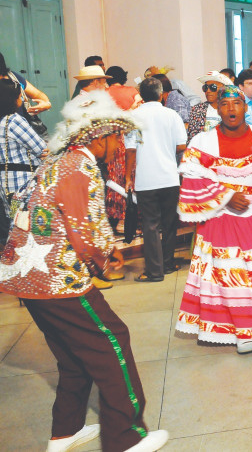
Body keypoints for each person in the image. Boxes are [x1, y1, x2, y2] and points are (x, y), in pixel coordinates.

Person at [0, 91, 169, 452]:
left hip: (25, 278)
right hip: (58, 280)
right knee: (113, 340)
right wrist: (105, 257)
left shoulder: (58, 161)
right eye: (116, 136)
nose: (120, 143)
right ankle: (125, 438)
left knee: (71, 355)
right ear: (100, 136)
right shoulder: (81, 165)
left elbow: (71, 216)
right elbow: (82, 225)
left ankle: (65, 432)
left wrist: (105, 247)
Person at [175, 87, 252, 354]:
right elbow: (193, 178)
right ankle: (243, 331)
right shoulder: (203, 141)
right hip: (221, 218)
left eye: (236, 104)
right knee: (230, 276)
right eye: (225, 104)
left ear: (245, 107)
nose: (231, 109)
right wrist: (227, 196)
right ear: (217, 110)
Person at [125, 77, 187, 283]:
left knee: (150, 225)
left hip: (146, 179)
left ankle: (154, 271)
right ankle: (168, 264)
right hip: (170, 177)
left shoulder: (134, 116)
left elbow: (131, 150)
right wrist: (165, 146)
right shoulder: (171, 115)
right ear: (161, 94)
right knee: (169, 223)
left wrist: (127, 177)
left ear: (141, 95)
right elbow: (181, 146)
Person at [104, 66, 141, 238]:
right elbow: (140, 106)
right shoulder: (132, 91)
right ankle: (129, 220)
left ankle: (115, 220)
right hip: (131, 139)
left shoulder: (104, 93)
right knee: (129, 178)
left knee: (114, 179)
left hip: (112, 141)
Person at [0, 79, 46, 197]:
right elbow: (41, 149)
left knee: (13, 214)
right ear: (11, 100)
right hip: (22, 184)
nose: (22, 99)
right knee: (25, 214)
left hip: (6, 185)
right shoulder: (14, 120)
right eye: (20, 96)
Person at [187, 71, 232, 142]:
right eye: (205, 87)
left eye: (213, 87)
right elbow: (192, 138)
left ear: (224, 89)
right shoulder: (197, 110)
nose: (208, 91)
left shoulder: (231, 110)